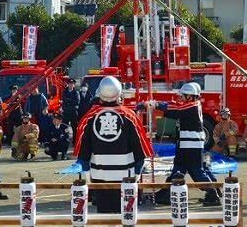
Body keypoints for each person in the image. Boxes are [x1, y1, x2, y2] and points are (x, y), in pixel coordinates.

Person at [74, 76, 153, 213]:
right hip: (126, 177)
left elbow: (82, 154)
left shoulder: (88, 118)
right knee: (126, 215)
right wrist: (137, 174)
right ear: (119, 94)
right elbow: (140, 150)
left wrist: (88, 177)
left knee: (104, 215)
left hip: (99, 177)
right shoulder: (129, 116)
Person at [151, 82, 221, 207]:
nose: (181, 98)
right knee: (178, 169)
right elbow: (175, 106)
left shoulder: (192, 106)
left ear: (191, 96)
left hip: (191, 146)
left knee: (196, 172)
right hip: (184, 144)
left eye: (183, 96)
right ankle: (166, 193)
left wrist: (157, 105)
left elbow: (176, 109)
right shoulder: (189, 105)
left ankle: (212, 194)